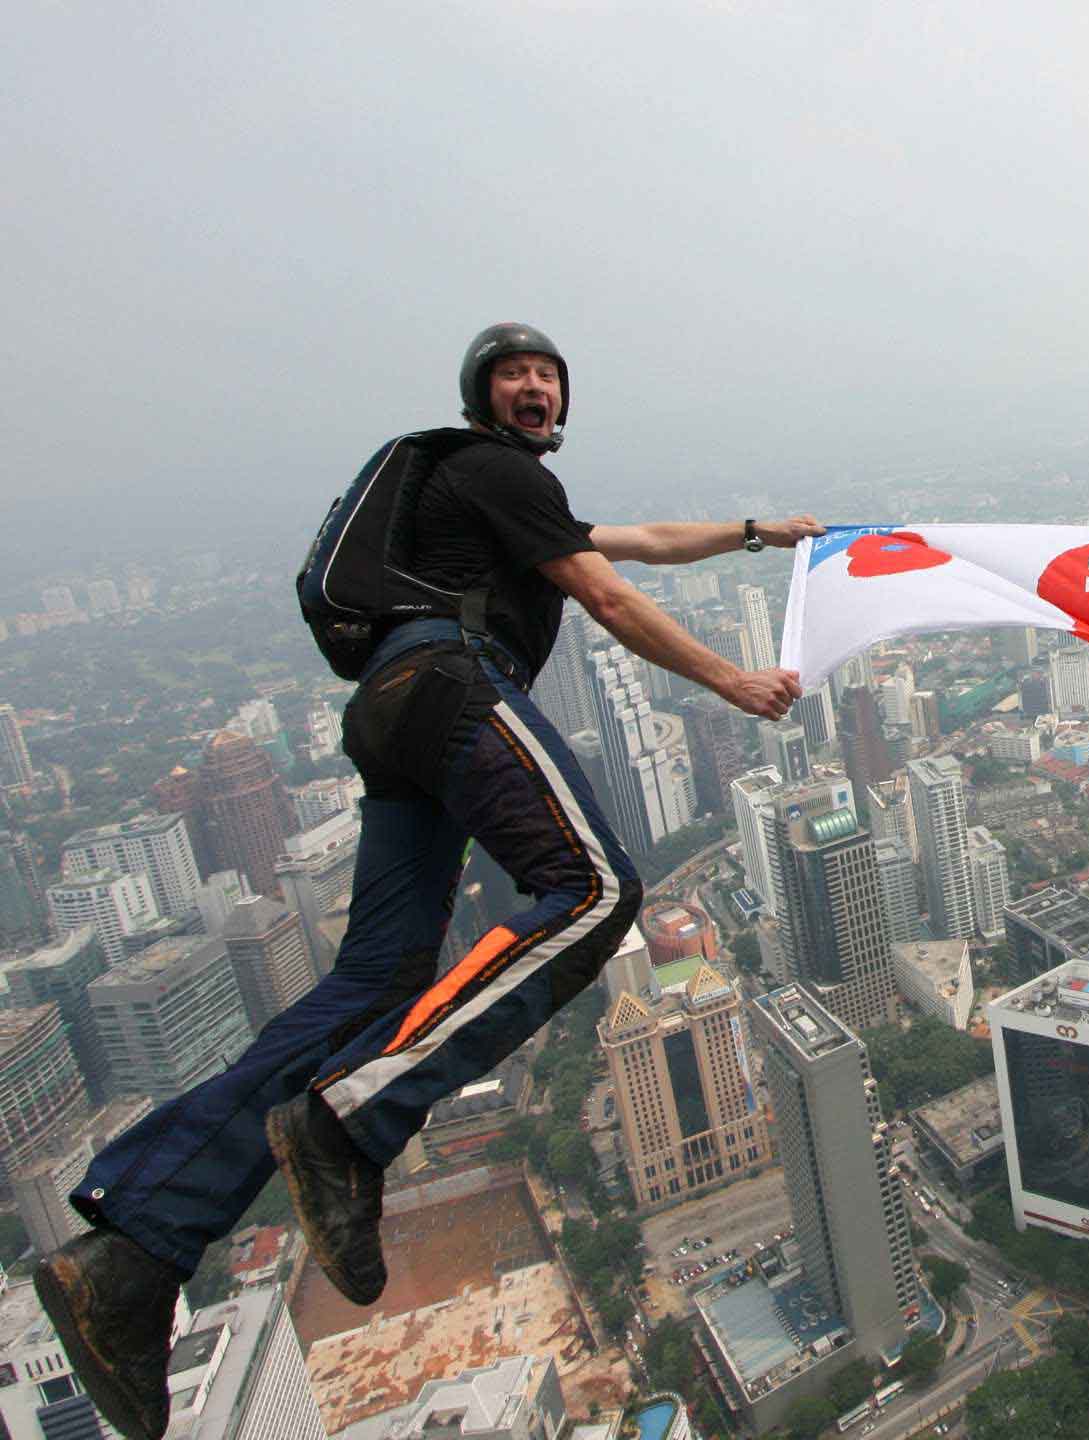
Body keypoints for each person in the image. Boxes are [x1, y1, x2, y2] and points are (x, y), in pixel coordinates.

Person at [33, 323, 823, 1440]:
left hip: (391, 714)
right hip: (452, 685)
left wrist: (755, 532)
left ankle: (133, 1253)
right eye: (516, 374)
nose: (537, 386)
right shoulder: (492, 466)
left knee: (372, 981)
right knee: (596, 894)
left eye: (549, 375)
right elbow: (607, 598)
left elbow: (636, 543)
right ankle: (356, 1117)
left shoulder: (498, 499)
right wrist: (732, 680)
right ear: (484, 398)